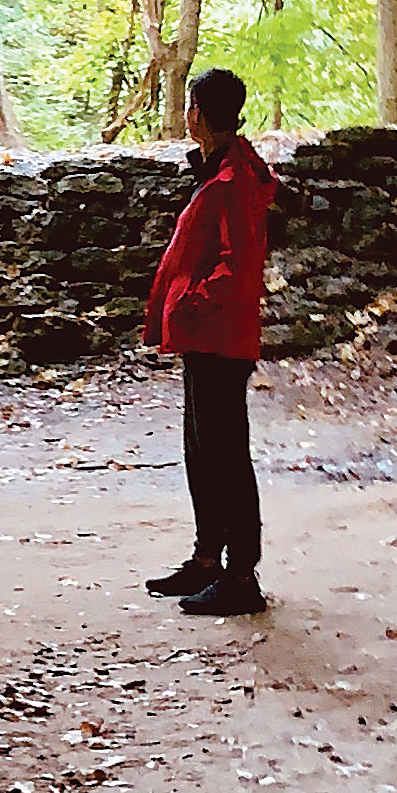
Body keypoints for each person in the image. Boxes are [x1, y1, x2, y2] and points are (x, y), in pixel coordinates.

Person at [145, 67, 272, 615]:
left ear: (199, 112)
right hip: (207, 333)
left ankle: (242, 577)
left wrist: (187, 301)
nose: (186, 114)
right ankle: (206, 560)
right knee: (202, 450)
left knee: (225, 454)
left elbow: (237, 264)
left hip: (220, 332)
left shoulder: (235, 180)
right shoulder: (218, 171)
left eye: (191, 105)